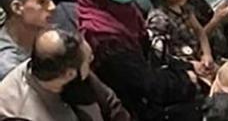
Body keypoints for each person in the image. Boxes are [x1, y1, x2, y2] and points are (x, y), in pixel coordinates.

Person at [74, 0, 201, 121]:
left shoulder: (127, 10)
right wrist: (186, 80)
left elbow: (149, 53)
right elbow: (143, 84)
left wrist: (185, 67)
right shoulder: (103, 36)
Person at [0, 28, 131, 121]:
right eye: (89, 59)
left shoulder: (72, 71)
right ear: (69, 74)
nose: (92, 61)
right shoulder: (19, 113)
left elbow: (112, 105)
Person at [0, 0, 57, 80]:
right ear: (17, 8)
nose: (52, 7)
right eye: (42, 2)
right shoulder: (8, 66)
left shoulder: (43, 33)